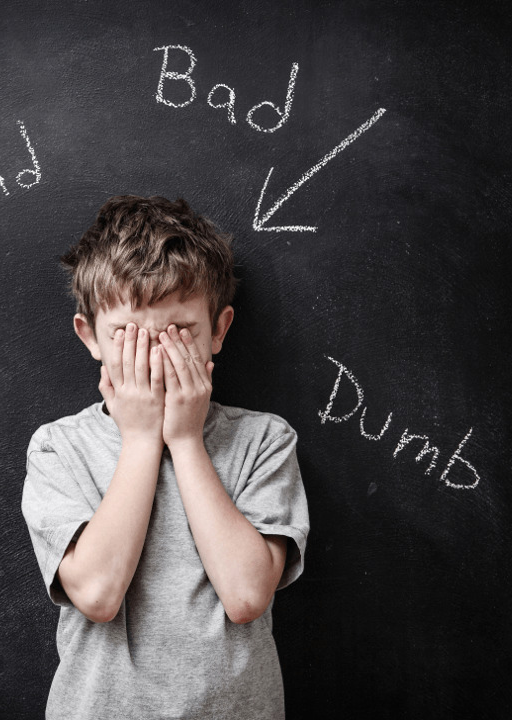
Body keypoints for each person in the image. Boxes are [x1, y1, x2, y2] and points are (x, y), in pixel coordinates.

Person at [21, 195, 310, 718]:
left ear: (219, 330)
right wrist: (139, 441)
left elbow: (247, 597)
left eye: (179, 333)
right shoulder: (58, 448)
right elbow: (99, 594)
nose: (154, 357)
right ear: (90, 337)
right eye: (129, 337)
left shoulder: (265, 441)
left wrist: (185, 439)